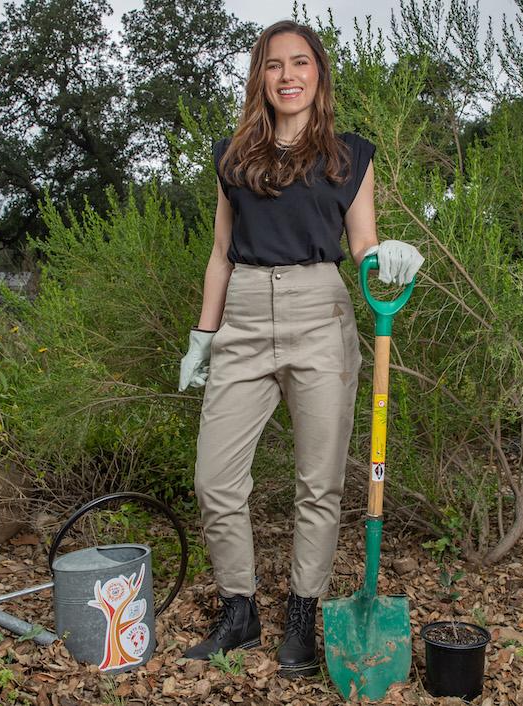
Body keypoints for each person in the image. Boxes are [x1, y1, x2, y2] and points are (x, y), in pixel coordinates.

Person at [176, 20, 423, 677]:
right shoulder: (233, 155)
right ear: (260, 77)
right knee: (215, 479)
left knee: (319, 483)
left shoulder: (350, 155)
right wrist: (203, 337)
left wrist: (385, 259)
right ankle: (240, 611)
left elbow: (365, 247)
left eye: (300, 63)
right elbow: (221, 254)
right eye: (274, 65)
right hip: (247, 316)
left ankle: (304, 617)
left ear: (319, 74)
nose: (288, 76)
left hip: (322, 314)